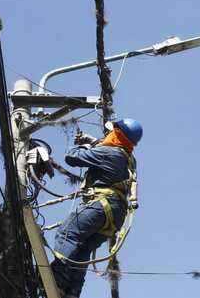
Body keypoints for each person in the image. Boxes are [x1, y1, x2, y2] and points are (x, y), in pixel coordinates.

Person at [50, 118, 143, 298]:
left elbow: (72, 157)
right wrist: (93, 142)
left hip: (101, 205)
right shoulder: (129, 159)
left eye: (109, 133)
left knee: (67, 233)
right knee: (83, 249)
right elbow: (107, 151)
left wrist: (83, 146)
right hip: (116, 215)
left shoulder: (109, 153)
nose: (106, 135)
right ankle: (72, 292)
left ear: (117, 134)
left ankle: (58, 280)